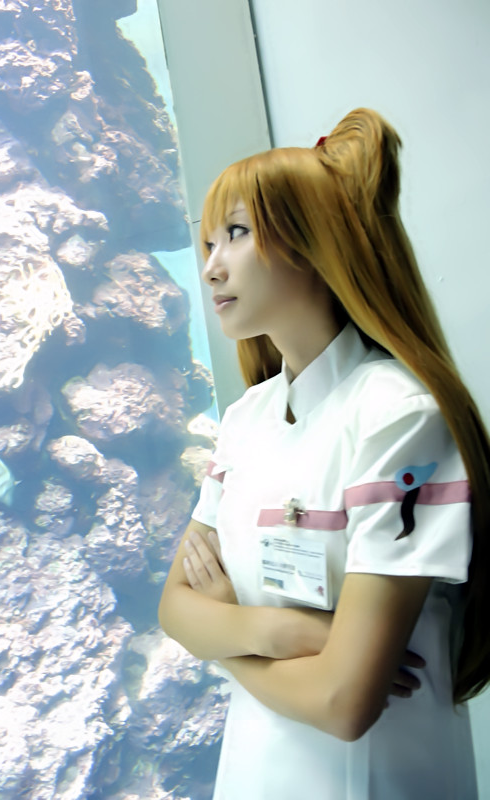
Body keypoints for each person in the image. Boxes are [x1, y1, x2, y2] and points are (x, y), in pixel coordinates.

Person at [158, 108, 490, 799]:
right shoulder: (246, 420)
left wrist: (227, 642)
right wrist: (285, 632)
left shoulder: (399, 417)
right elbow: (175, 610)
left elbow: (345, 703)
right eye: (208, 242)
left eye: (236, 234)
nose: (211, 267)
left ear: (312, 244)